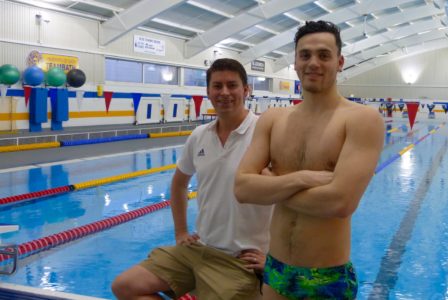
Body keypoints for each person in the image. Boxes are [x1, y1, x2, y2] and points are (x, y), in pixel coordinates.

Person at [235, 21, 384, 300]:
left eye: (323, 55)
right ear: (294, 62)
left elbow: (340, 203)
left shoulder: (361, 120)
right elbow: (242, 189)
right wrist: (300, 179)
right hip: (276, 268)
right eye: (305, 55)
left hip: (326, 275)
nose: (313, 62)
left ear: (340, 62)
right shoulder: (273, 119)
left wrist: (272, 186)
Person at [112, 58, 273, 300]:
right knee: (124, 286)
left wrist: (275, 259)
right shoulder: (200, 135)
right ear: (208, 92)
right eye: (217, 86)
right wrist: (180, 232)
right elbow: (179, 183)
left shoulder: (264, 132)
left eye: (232, 85)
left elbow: (291, 200)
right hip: (198, 250)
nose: (225, 92)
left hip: (240, 260)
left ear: (246, 90)